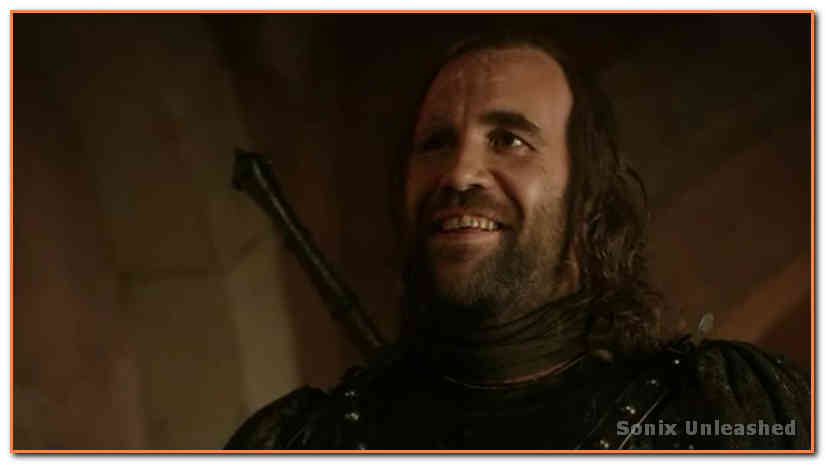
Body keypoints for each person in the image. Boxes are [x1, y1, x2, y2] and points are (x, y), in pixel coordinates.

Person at [225, 34, 811, 450]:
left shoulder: (727, 414)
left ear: (588, 197)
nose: (459, 174)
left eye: (509, 140)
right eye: (435, 143)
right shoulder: (305, 443)